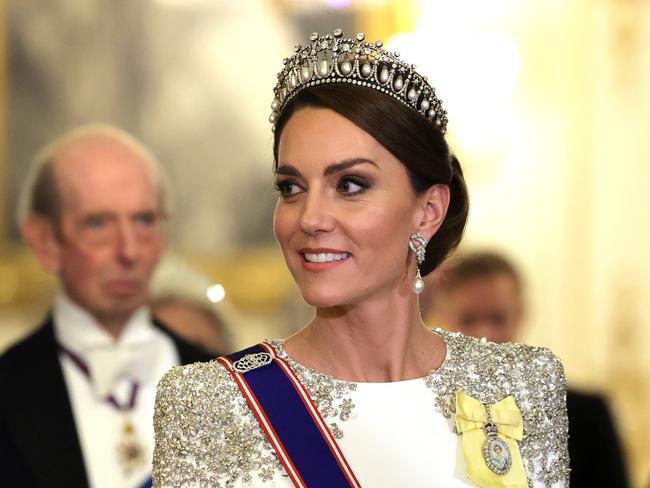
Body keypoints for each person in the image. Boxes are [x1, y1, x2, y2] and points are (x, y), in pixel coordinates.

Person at [153, 29, 569, 487]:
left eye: (350, 185)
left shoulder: (523, 383)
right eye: (291, 187)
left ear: (428, 210)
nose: (309, 218)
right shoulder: (210, 402)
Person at [0, 124, 211, 488]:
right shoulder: (7, 392)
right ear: (45, 241)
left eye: (144, 221)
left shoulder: (222, 382)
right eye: (98, 224)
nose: (129, 251)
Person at [426, 250, 630, 488]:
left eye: (497, 318)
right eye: (468, 319)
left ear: (521, 314)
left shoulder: (586, 414)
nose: (484, 335)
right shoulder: (427, 410)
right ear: (441, 318)